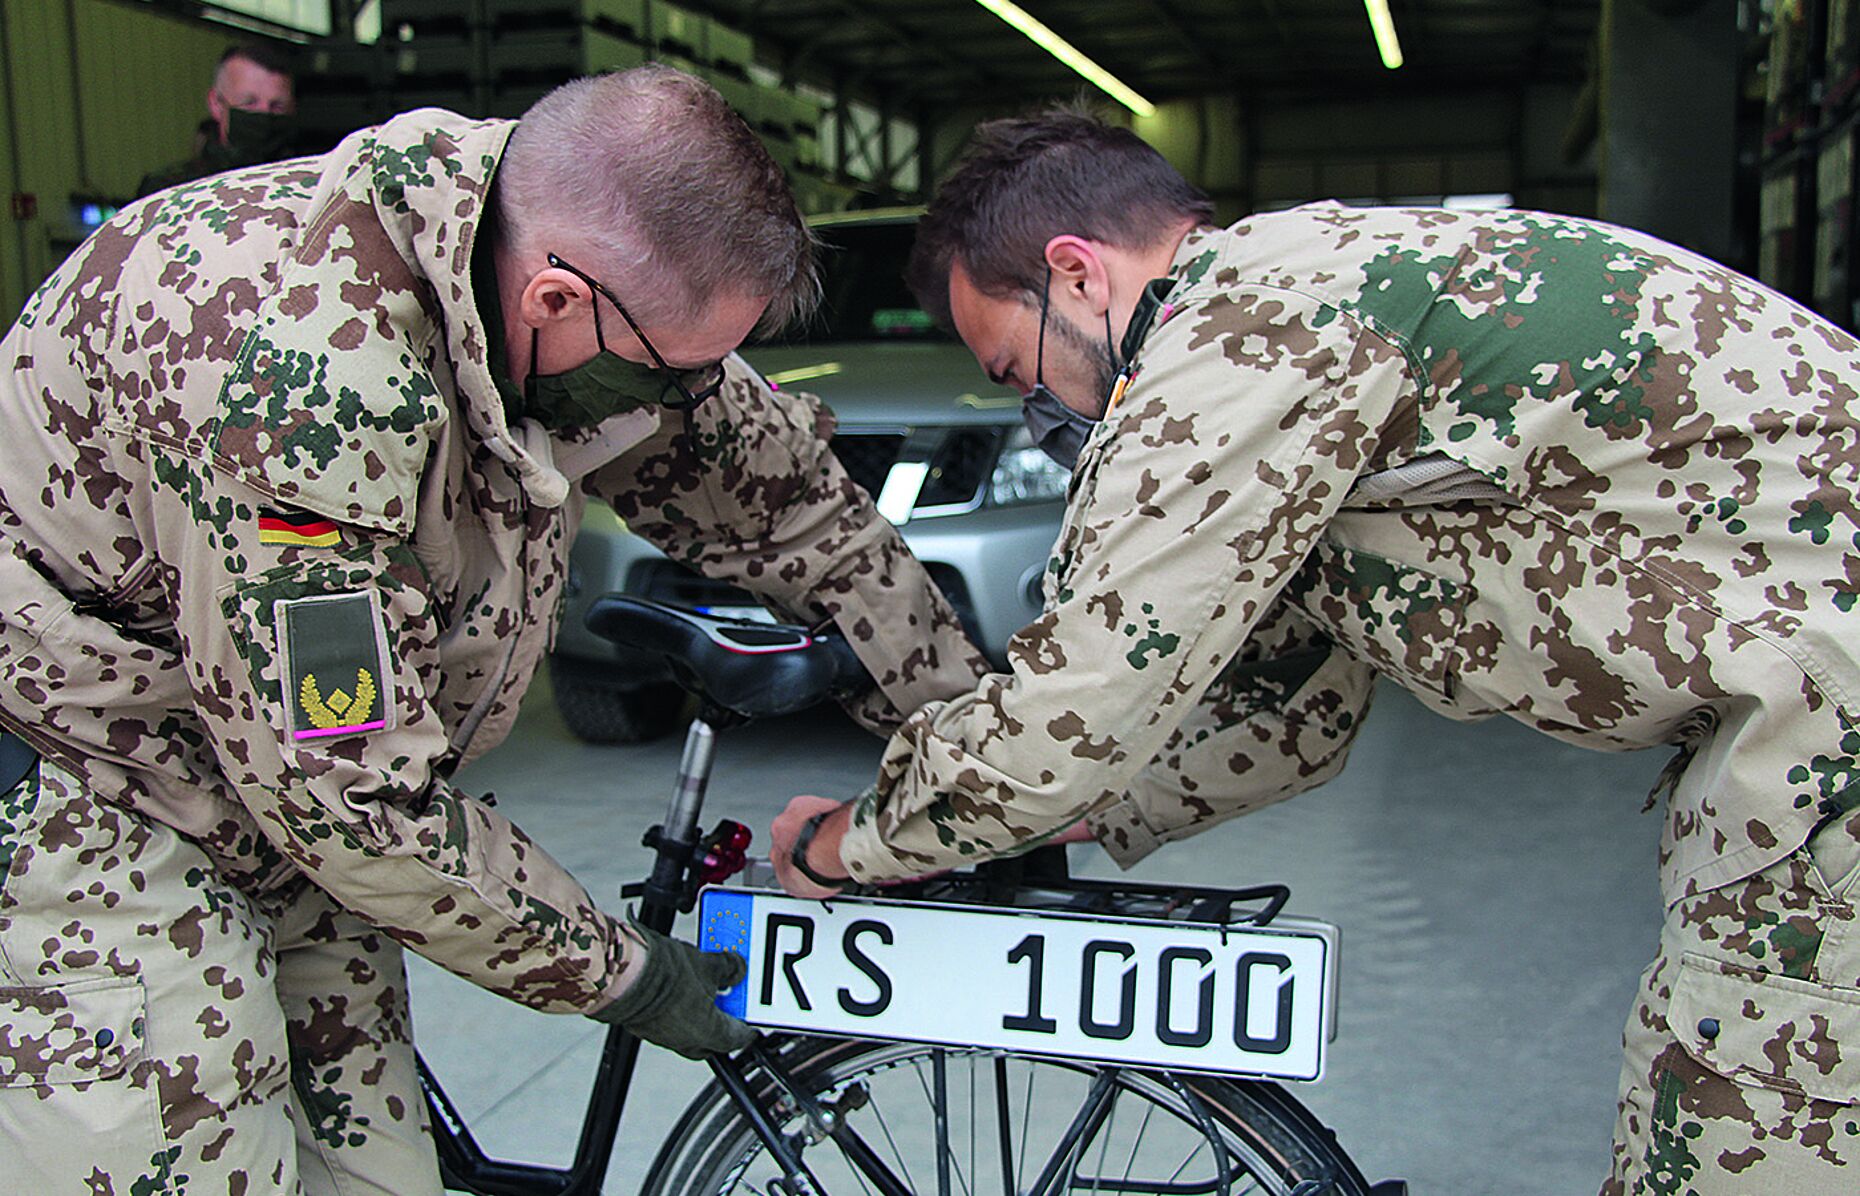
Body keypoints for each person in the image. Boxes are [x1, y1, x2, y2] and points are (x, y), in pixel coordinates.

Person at [769, 107, 1860, 1194]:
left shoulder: (1237, 333)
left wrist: (851, 843)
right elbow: (1294, 714)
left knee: (1735, 1130)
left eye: (1018, 370)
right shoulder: (1301, 316)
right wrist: (1089, 809)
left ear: (1079, 275)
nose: (1043, 411)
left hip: (1830, 718)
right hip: (1806, 700)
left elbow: (1076, 703)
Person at [0, 66, 985, 1195]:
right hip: (98, 789)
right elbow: (354, 794)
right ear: (555, 302)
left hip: (289, 804)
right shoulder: (301, 378)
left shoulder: (593, 283)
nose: (675, 401)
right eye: (663, 372)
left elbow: (798, 511)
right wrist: (622, 972)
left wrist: (975, 757)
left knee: (379, 1170)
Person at [135, 41, 299, 199]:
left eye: (277, 106)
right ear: (216, 104)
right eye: (249, 103)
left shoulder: (307, 185)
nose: (264, 113)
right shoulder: (170, 190)